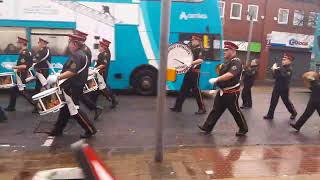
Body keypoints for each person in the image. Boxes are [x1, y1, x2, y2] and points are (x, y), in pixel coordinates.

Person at [48, 34, 97, 138]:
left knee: (74, 109)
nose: (68, 45)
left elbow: (72, 71)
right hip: (74, 85)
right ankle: (58, 129)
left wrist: (58, 77)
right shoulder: (81, 54)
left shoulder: (77, 55)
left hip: (72, 86)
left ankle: (90, 129)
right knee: (65, 108)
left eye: (69, 42)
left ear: (74, 44)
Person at [198, 41, 248, 136]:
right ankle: (207, 127)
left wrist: (217, 79)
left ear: (233, 51)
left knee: (235, 111)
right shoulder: (227, 62)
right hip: (222, 91)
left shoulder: (236, 62)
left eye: (226, 50)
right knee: (216, 109)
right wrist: (215, 87)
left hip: (231, 93)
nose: (224, 52)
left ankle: (243, 129)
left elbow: (230, 75)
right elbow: (223, 75)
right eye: (224, 50)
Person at [170, 35, 206, 115]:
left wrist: (190, 63)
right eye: (192, 39)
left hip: (195, 73)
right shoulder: (191, 49)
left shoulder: (200, 49)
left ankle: (202, 108)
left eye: (193, 40)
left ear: (198, 40)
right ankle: (177, 107)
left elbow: (201, 60)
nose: (192, 41)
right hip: (189, 72)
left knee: (196, 91)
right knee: (183, 89)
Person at [74, 30, 103, 120]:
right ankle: (93, 108)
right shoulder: (84, 49)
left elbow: (83, 64)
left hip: (79, 76)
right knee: (79, 95)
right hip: (81, 75)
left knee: (77, 95)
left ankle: (76, 112)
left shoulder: (83, 50)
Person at [5, 37, 36, 112]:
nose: (17, 44)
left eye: (18, 43)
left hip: (22, 75)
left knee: (23, 92)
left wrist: (12, 67)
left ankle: (37, 105)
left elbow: (24, 66)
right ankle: (11, 107)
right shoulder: (26, 52)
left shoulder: (24, 53)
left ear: (22, 43)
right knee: (14, 90)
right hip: (21, 74)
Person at [263, 53, 297, 120]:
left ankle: (293, 112)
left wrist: (276, 69)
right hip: (277, 86)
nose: (283, 60)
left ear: (289, 61)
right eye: (282, 59)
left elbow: (284, 76)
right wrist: (273, 69)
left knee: (286, 102)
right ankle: (270, 115)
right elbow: (275, 76)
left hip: (284, 88)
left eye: (285, 59)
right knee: (273, 101)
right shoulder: (281, 68)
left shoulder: (289, 69)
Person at [90, 38, 118, 109]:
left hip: (101, 74)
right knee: (98, 88)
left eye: (100, 46)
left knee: (101, 88)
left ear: (104, 47)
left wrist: (95, 69)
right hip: (100, 73)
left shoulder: (105, 54)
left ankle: (113, 100)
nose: (98, 47)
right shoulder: (104, 53)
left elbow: (103, 64)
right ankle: (93, 104)